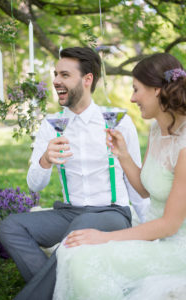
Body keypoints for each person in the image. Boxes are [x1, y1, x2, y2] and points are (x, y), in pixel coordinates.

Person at [0, 46, 149, 300]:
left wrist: (147, 230)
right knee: (11, 226)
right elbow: (34, 186)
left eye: (64, 75)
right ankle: (57, 291)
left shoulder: (117, 121)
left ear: (87, 79)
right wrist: (45, 159)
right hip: (69, 212)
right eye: (55, 74)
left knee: (78, 230)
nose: (56, 81)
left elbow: (135, 183)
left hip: (111, 212)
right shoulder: (50, 125)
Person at [53, 53, 186, 300]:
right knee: (72, 251)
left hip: (177, 249)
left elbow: (170, 225)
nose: (132, 98)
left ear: (157, 90)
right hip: (153, 235)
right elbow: (146, 190)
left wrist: (104, 238)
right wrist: (122, 154)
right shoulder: (158, 129)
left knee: (85, 257)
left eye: (136, 90)